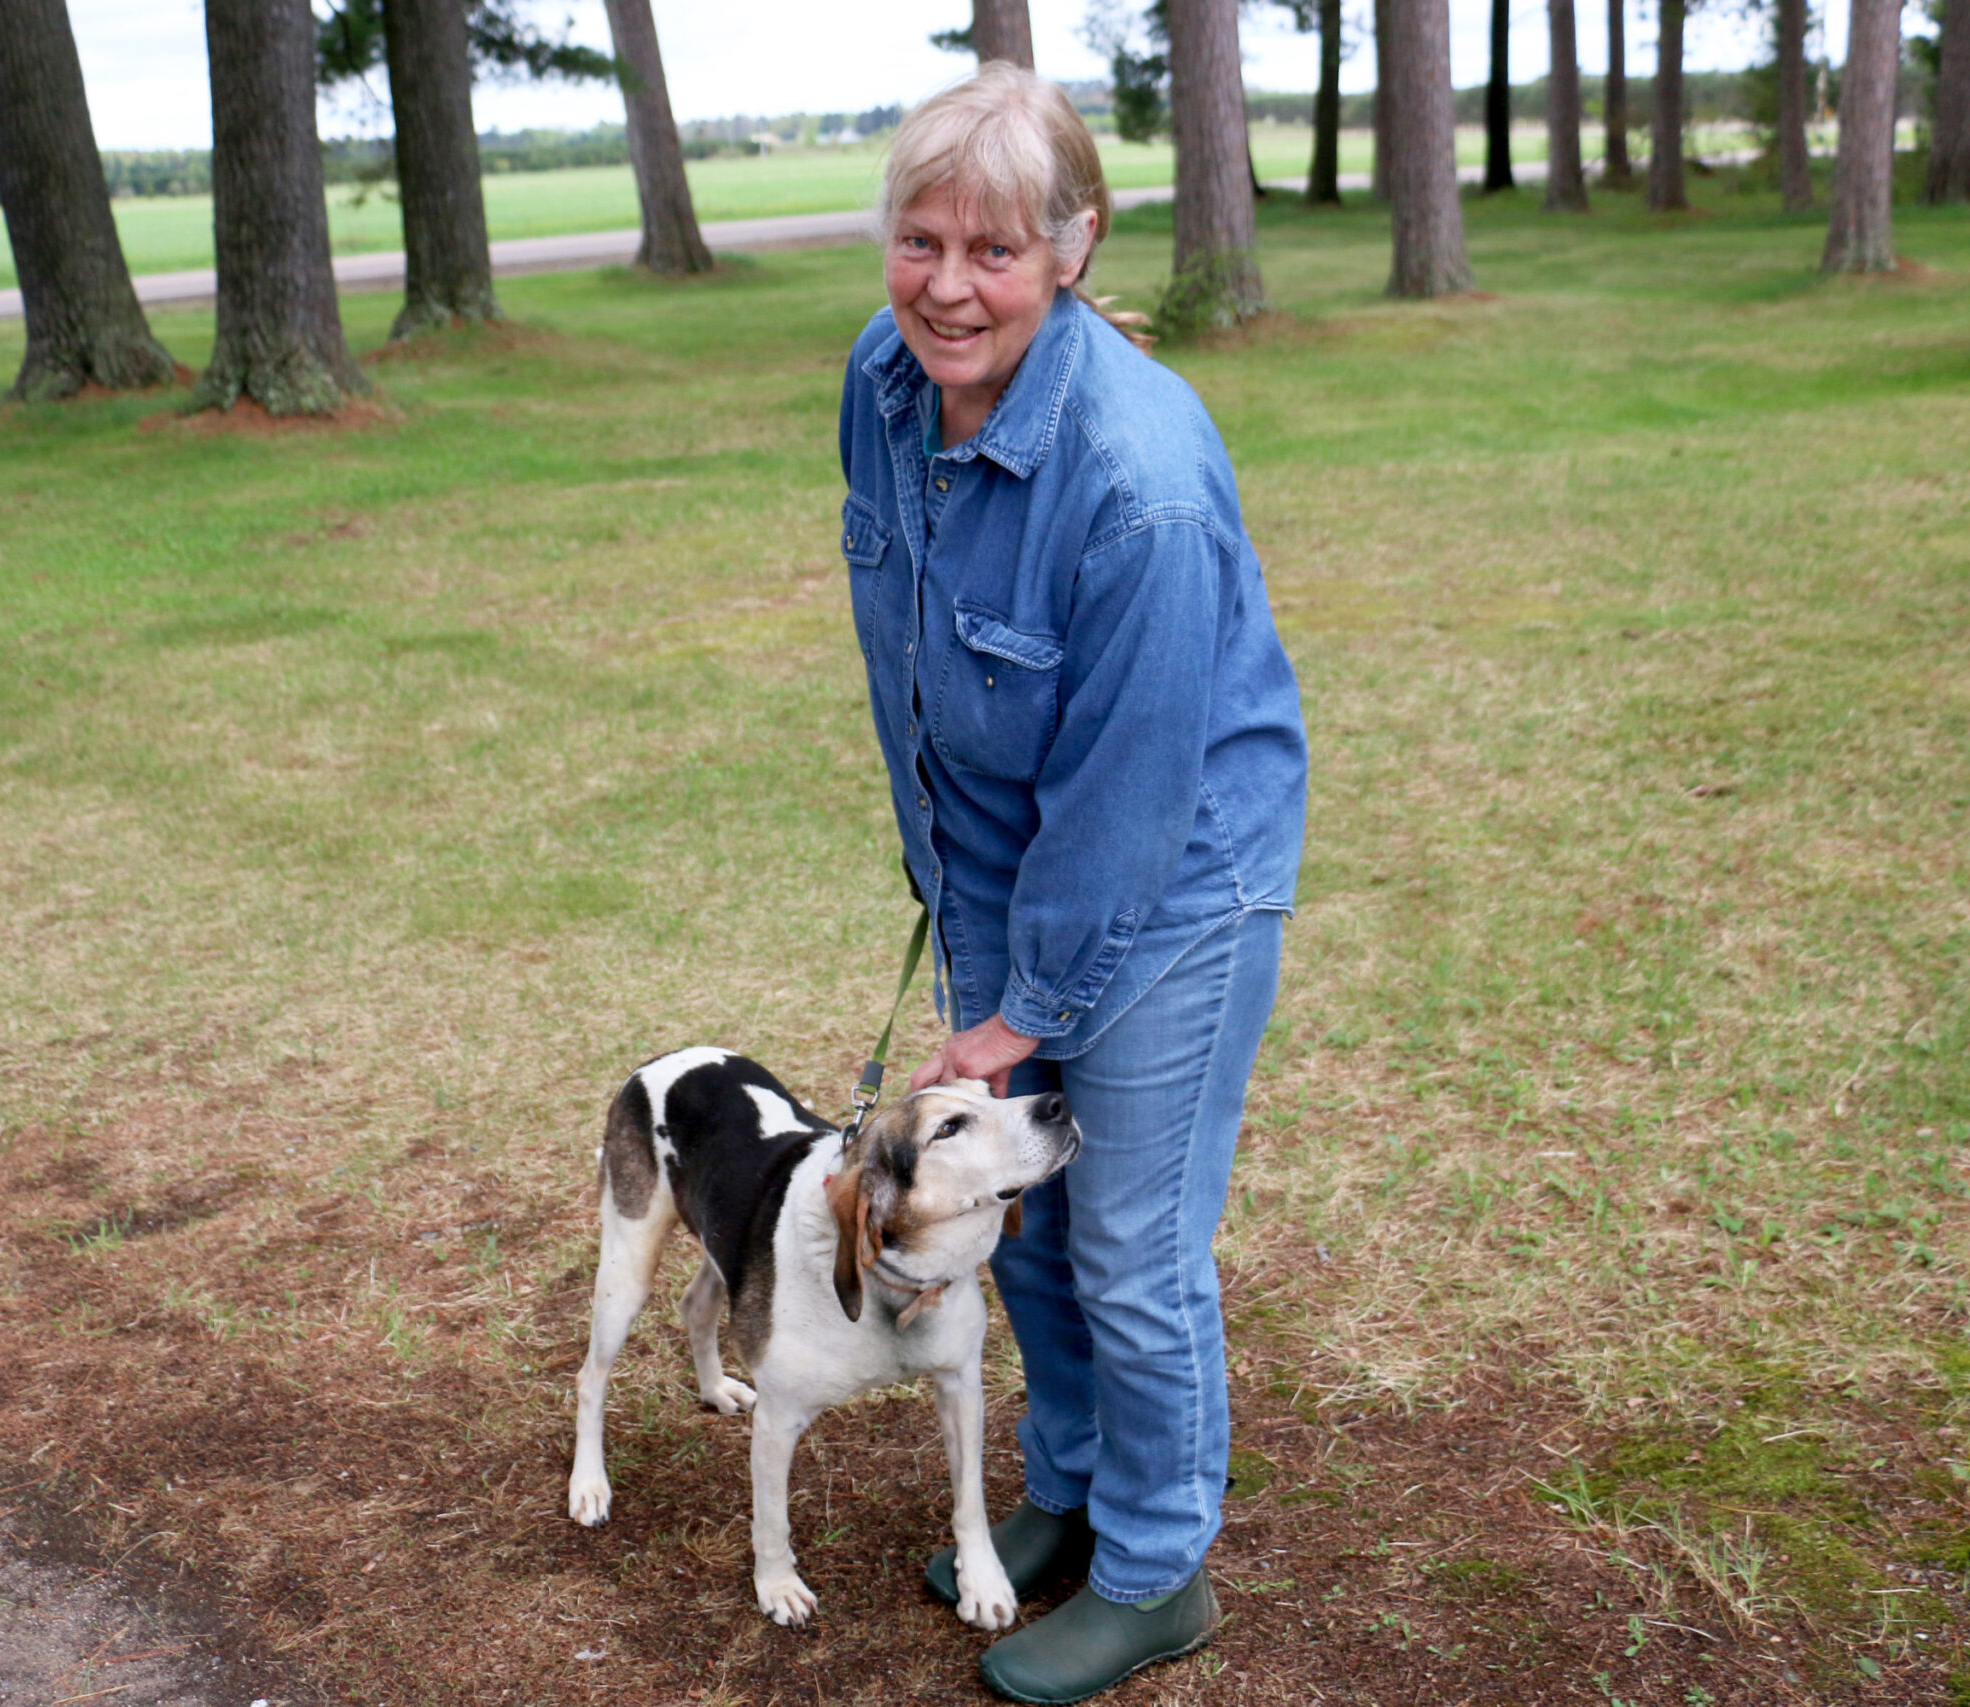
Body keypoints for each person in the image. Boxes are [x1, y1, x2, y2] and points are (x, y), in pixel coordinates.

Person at [837, 64, 1310, 1706]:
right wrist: (964, 907)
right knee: (1015, 1223)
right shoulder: (883, 387)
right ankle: (1072, 1492)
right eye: (920, 242)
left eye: (995, 251)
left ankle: (1158, 1572)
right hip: (995, 860)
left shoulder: (1142, 487)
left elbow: (1128, 802)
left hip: (1170, 880)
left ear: (1076, 248)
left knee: (1125, 1243)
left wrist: (1024, 1010)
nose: (948, 288)